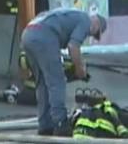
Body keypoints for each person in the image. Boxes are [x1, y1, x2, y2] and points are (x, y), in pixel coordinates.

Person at [20, 8, 107, 136]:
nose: (90, 35)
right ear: (96, 23)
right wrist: (79, 69)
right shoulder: (85, 20)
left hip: (28, 34)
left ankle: (45, 125)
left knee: (43, 82)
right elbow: (73, 46)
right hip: (44, 36)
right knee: (57, 81)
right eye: (95, 33)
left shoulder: (71, 14)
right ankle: (60, 123)